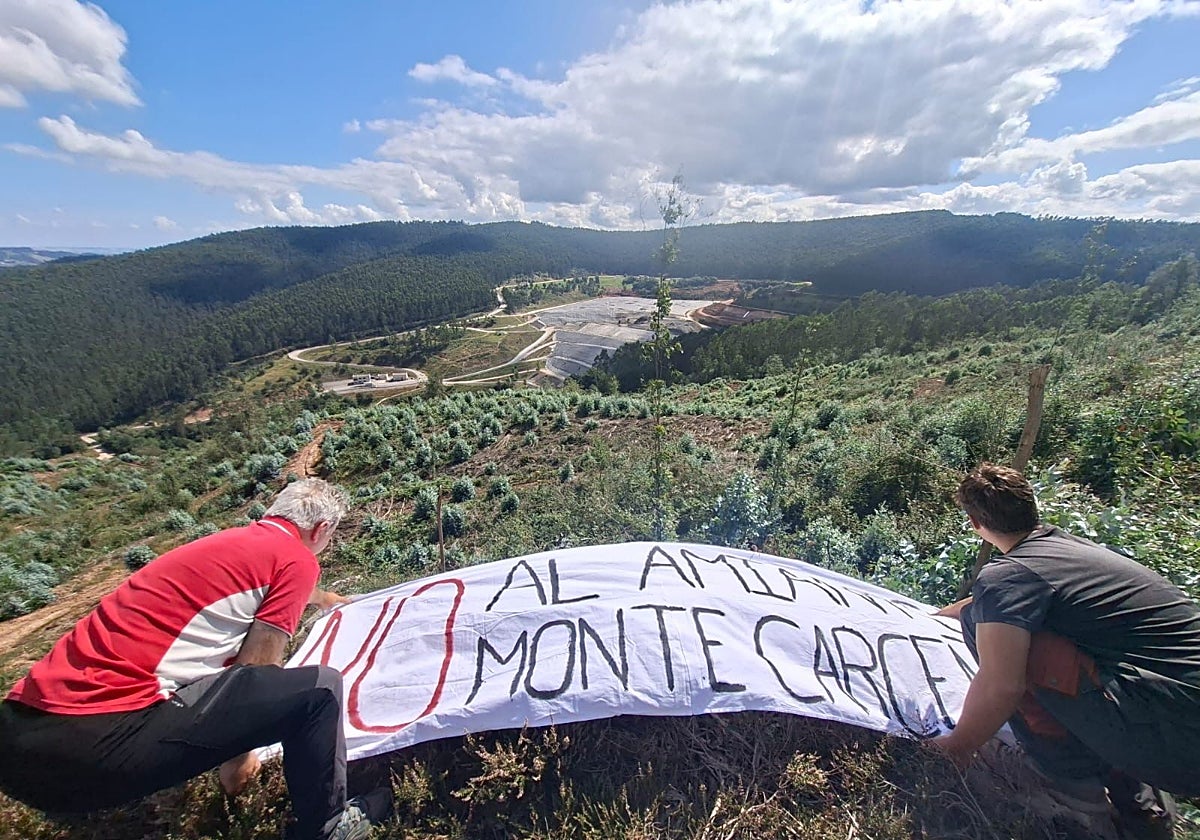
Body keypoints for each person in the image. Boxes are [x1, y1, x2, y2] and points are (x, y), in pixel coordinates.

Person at [0, 478, 390, 840]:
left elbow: (254, 588)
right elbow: (254, 671)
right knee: (321, 689)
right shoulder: (297, 560)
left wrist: (323, 600)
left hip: (17, 739)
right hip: (92, 752)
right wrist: (237, 766)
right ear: (322, 530)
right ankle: (328, 826)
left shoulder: (224, 545)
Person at [933, 464, 1200, 838]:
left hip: (1173, 730)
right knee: (988, 618)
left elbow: (1003, 685)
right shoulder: (1067, 551)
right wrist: (935, 614)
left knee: (992, 633)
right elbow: (988, 603)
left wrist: (957, 749)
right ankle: (1140, 806)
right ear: (1031, 507)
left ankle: (1071, 789)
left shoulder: (1009, 574)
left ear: (975, 523)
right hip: (1176, 709)